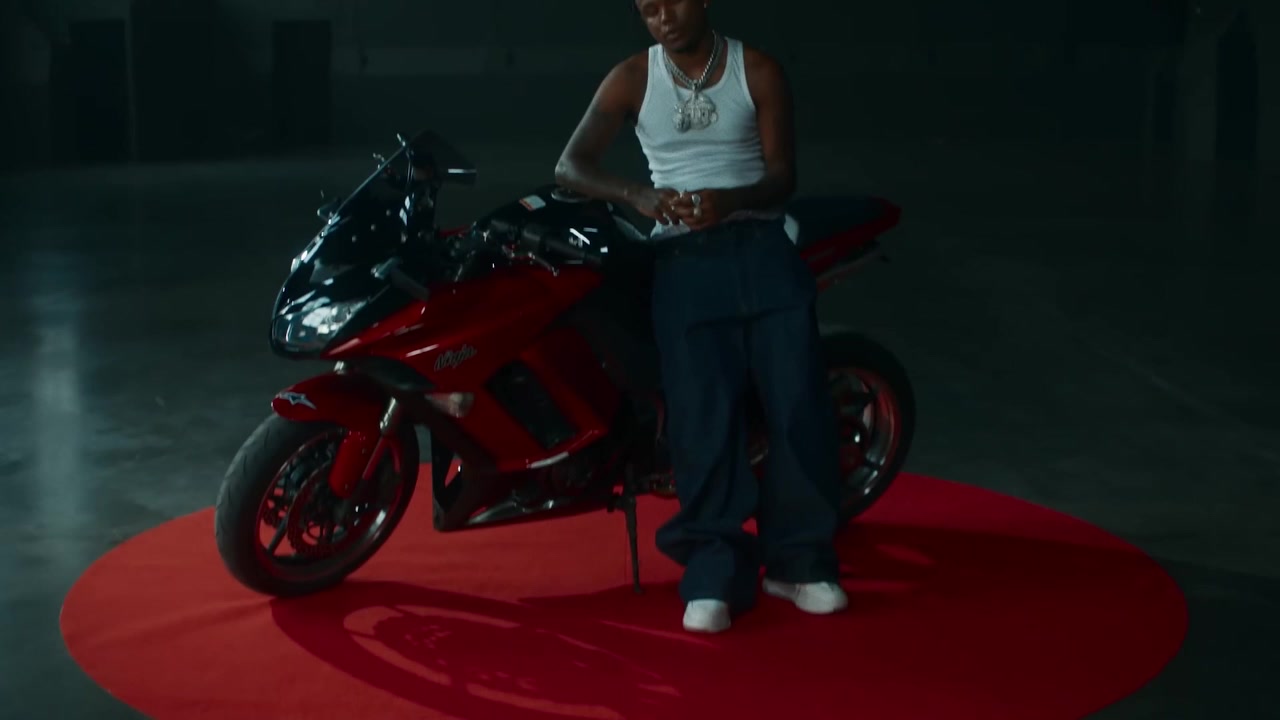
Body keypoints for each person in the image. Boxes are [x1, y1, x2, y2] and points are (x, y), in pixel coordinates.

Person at [553, 0, 847, 633]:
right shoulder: (633, 77)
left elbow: (783, 176)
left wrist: (731, 201)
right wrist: (637, 194)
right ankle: (714, 572)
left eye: (674, 1)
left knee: (798, 407)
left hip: (763, 248)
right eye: (648, 8)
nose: (663, 16)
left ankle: (800, 563)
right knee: (700, 420)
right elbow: (570, 166)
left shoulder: (756, 69)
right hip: (683, 263)